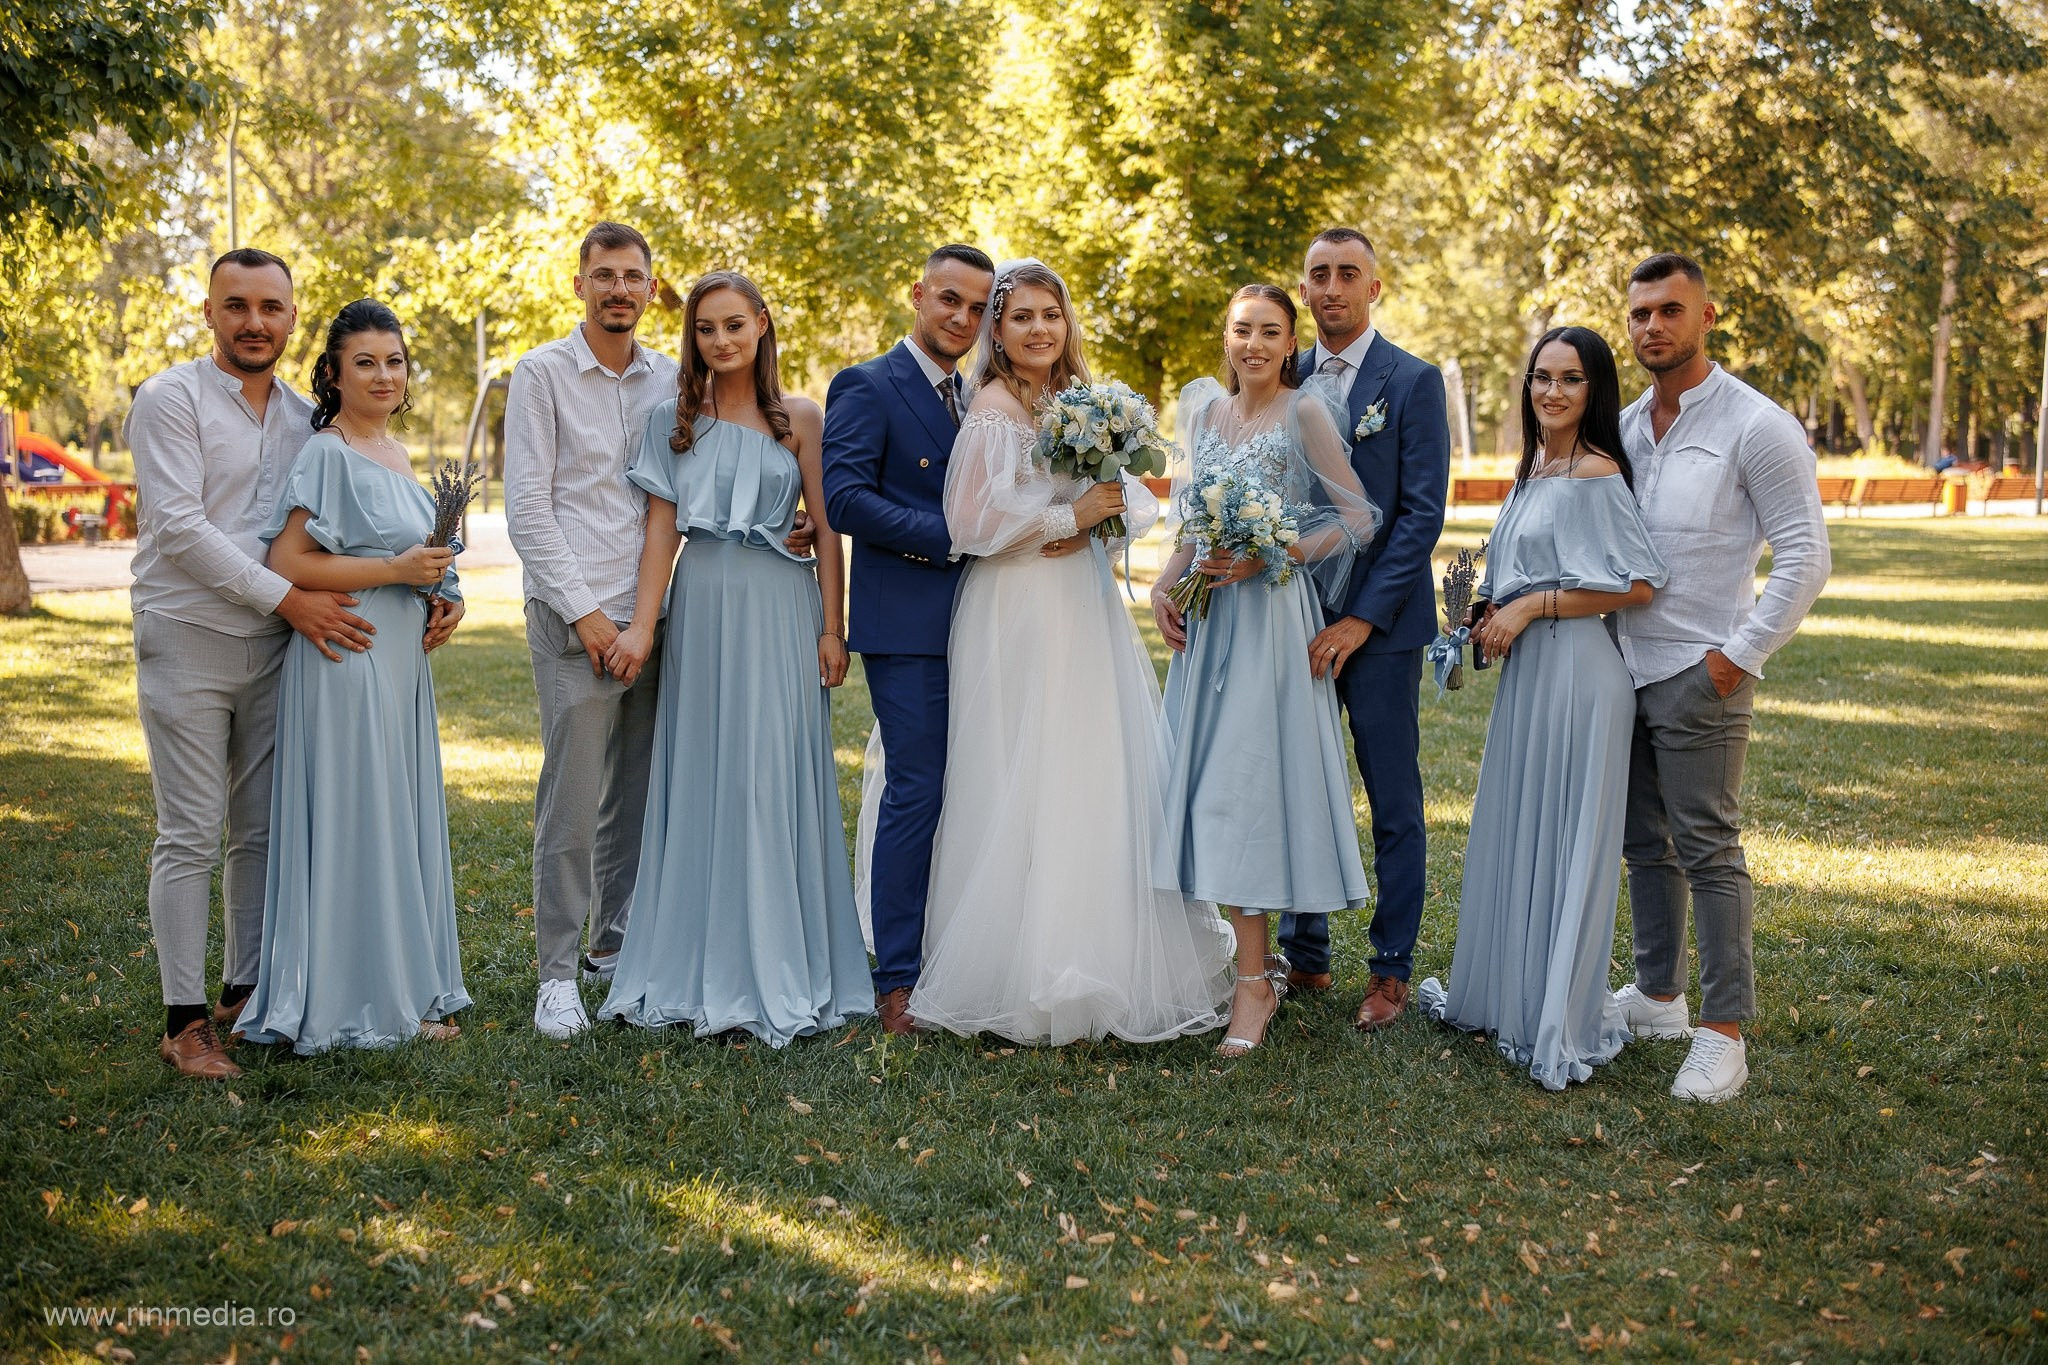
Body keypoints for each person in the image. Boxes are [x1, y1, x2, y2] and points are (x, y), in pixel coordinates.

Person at [504, 222, 823, 1040]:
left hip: (672, 618)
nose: (619, 288)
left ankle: (616, 943)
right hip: (581, 616)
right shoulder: (540, 375)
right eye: (604, 274)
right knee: (572, 796)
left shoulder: (670, 386)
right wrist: (596, 620)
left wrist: (781, 533)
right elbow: (531, 515)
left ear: (652, 290)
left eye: (633, 277)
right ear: (580, 282)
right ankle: (555, 973)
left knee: (643, 794)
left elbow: (723, 490)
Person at [909, 258, 1233, 1045]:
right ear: (997, 330)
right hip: (1018, 605)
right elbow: (972, 524)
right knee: (1027, 764)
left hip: (1081, 605)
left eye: (1050, 314)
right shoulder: (991, 407)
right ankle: (1023, 969)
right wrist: (1071, 517)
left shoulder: (1079, 402)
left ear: (1067, 321)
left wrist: (1106, 511)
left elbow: (1123, 505)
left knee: (1090, 765)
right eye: (1020, 317)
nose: (1038, 329)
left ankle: (1103, 953)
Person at [597, 272, 870, 1046]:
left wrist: (831, 627)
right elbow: (661, 532)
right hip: (705, 607)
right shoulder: (674, 419)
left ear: (761, 324)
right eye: (705, 329)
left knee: (766, 776)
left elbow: (824, 530)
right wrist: (644, 627)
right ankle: (699, 963)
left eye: (733, 326)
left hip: (782, 612)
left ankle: (779, 964)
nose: (720, 341)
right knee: (708, 776)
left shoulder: (802, 418)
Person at [126, 248, 376, 1079]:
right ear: (209, 313)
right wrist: (286, 597)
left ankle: (243, 990)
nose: (254, 322)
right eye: (236, 305)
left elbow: (337, 528)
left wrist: (432, 587)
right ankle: (183, 1018)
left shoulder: (311, 416)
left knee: (262, 829)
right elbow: (178, 528)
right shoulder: (169, 399)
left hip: (276, 648)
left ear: (293, 318)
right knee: (191, 830)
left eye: (271, 307)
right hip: (189, 632)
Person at [1414, 327, 1667, 1088]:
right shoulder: (1534, 467)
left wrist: (1533, 610)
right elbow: (1523, 571)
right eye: (1541, 377)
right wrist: (1483, 614)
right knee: (1517, 825)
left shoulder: (1596, 471)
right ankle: (1508, 995)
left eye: (1570, 379)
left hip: (1581, 676)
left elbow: (1640, 583)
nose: (1552, 391)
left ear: (1595, 391)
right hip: (1529, 678)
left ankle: (1557, 1008)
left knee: (1565, 838)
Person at [1610, 252, 1830, 1102]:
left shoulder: (1757, 424)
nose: (1652, 327)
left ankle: (1724, 1032)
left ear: (1707, 317)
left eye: (1670, 311)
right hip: (1621, 668)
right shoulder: (1626, 425)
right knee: (1645, 847)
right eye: (1639, 315)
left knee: (1709, 850)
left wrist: (1738, 657)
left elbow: (1806, 556)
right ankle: (1659, 996)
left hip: (1701, 673)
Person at [236, 300, 472, 1052]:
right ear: (333, 373)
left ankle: (400, 986)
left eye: (394, 360)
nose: (382, 374)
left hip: (400, 660)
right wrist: (395, 570)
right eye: (364, 361)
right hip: (345, 653)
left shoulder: (399, 455)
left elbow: (420, 558)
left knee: (393, 816)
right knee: (356, 819)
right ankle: (355, 999)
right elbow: (289, 562)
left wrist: (444, 596)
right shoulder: (327, 452)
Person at [1151, 285, 1379, 1057]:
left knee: (1243, 789)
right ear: (1227, 336)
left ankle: (1255, 984)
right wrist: (1163, 581)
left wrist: (1270, 552)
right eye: (1241, 329)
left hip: (1272, 622)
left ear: (1291, 344)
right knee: (1204, 785)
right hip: (1210, 626)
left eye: (1269, 332)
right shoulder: (1207, 414)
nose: (1253, 344)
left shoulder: (1303, 412)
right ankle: (1247, 964)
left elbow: (1357, 517)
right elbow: (1193, 520)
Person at [823, 244, 995, 1035]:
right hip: (907, 626)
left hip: (987, 617)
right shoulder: (867, 384)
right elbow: (847, 498)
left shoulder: (984, 393)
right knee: (917, 790)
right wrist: (950, 536)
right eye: (949, 300)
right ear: (918, 293)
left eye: (975, 308)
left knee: (977, 789)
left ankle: (965, 952)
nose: (961, 318)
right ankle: (897, 979)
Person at [1284, 228, 1451, 1031]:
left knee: (1392, 799)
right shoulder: (1285, 375)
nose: (1332, 287)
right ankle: (1303, 952)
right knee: (1300, 786)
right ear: (1305, 287)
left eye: (1348, 273)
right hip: (1289, 619)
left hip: (1381, 628)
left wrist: (1358, 618)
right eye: (1319, 274)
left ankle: (1389, 969)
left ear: (1374, 287)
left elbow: (1420, 517)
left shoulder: (1412, 382)